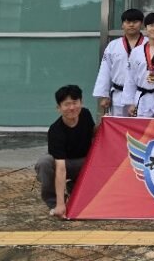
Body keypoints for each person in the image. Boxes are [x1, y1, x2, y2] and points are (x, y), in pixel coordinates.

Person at [35, 85, 94, 219]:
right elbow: (60, 168)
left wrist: (107, 123)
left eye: (75, 102)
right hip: (65, 164)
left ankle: (75, 187)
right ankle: (55, 203)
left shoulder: (85, 114)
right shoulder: (55, 131)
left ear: (81, 102)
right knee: (44, 162)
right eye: (67, 104)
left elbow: (93, 134)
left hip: (86, 163)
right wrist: (61, 204)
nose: (72, 108)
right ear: (59, 108)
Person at [93, 8, 143, 117]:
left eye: (135, 22)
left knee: (140, 127)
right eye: (128, 22)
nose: (131, 25)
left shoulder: (149, 45)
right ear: (122, 25)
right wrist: (104, 95)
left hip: (141, 94)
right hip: (118, 94)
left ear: (141, 24)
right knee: (119, 128)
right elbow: (105, 70)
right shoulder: (113, 45)